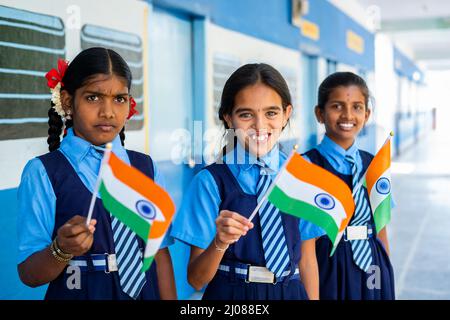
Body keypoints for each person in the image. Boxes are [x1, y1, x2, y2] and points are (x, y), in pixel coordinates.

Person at [17, 47, 176, 300]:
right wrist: (61, 250)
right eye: (93, 98)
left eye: (119, 99)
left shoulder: (146, 168)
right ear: (68, 101)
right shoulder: (43, 172)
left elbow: (160, 255)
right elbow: (28, 274)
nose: (108, 112)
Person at [170, 63, 323, 300]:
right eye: (246, 114)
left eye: (271, 112)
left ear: (286, 114)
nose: (260, 125)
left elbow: (308, 261)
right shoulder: (210, 182)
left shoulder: (301, 176)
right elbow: (196, 279)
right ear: (228, 118)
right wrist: (220, 242)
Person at [303, 71, 395, 299]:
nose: (348, 115)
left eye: (357, 107)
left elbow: (380, 226)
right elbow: (305, 246)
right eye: (337, 106)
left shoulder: (373, 163)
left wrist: (386, 270)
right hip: (329, 264)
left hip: (373, 264)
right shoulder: (306, 167)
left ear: (367, 114)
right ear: (320, 113)